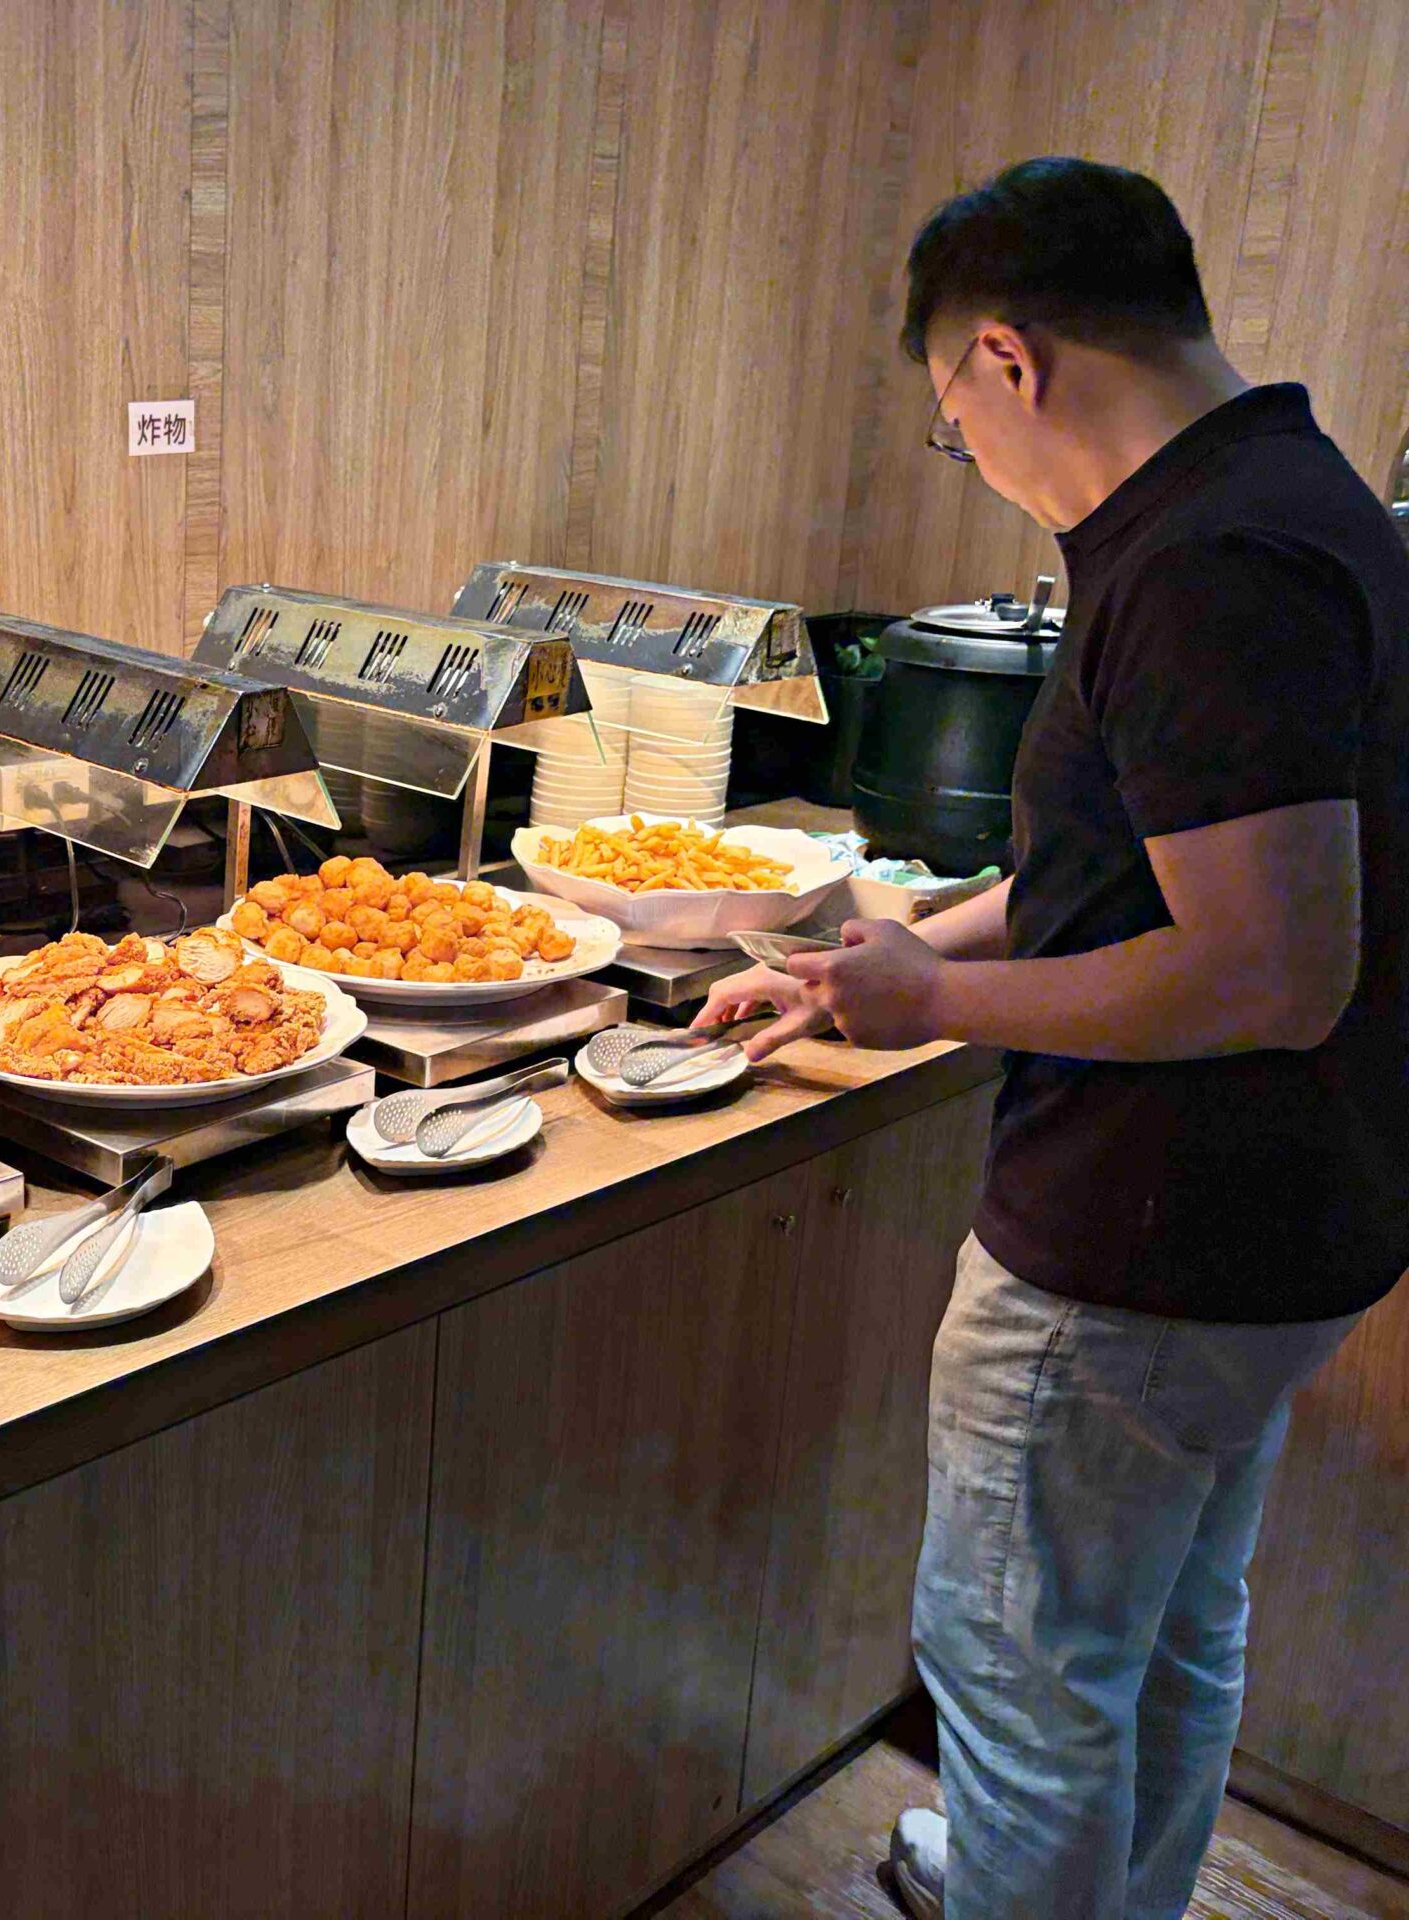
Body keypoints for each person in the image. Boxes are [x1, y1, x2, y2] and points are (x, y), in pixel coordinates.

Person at [698, 156, 1409, 1920]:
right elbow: (1131, 869)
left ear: (1003, 361)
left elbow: (1265, 968)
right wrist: (884, 950)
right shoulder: (1297, 496)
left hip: (1138, 1245)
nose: (978, 454)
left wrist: (930, 1002)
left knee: (1021, 1680)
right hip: (1293, 1219)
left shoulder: (1203, 559)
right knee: (1159, 1636)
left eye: (953, 416)